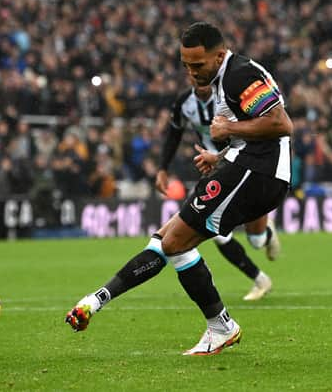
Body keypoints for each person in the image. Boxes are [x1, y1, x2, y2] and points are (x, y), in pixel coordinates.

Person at [66, 22, 293, 355]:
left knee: (176, 242)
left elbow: (280, 123)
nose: (190, 71)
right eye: (185, 64)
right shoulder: (221, 78)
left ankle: (222, 327)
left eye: (197, 64)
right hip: (242, 166)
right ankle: (94, 301)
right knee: (166, 239)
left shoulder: (239, 74)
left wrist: (228, 129)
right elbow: (252, 131)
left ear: (219, 55)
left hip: (257, 173)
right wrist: (220, 154)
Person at [155, 77, 281, 301]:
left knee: (256, 241)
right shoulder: (184, 102)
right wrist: (163, 168)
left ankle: (267, 233)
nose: (199, 79)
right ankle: (260, 279)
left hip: (241, 165)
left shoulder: (228, 98)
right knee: (215, 232)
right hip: (213, 169)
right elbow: (174, 134)